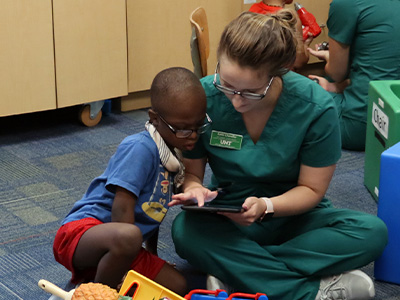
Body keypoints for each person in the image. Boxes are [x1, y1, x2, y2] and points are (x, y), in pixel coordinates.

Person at [169, 11, 388, 300]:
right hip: (231, 216)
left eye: (249, 92)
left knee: (372, 232)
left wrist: (266, 206)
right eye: (226, 85)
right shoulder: (204, 97)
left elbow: (311, 189)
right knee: (185, 230)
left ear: (279, 73)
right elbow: (194, 175)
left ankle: (237, 273)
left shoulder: (315, 106)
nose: (234, 100)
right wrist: (195, 190)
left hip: (294, 215)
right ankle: (309, 291)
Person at [52, 67, 211, 295]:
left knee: (177, 286)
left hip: (125, 243)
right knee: (129, 237)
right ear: (154, 119)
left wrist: (150, 258)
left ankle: (94, 279)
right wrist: (130, 262)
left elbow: (152, 213)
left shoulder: (171, 160)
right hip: (81, 234)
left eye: (198, 127)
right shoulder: (140, 148)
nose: (193, 136)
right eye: (183, 129)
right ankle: (98, 294)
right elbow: (123, 206)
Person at [308, 0, 400, 150]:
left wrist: (331, 58)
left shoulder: (345, 4)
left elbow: (337, 73)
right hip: (397, 117)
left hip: (365, 127)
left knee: (304, 88)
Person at [249, 0, 314, 71]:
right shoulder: (290, 20)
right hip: (279, 76)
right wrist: (305, 45)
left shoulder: (252, 10)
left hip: (257, 74)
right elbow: (298, 62)